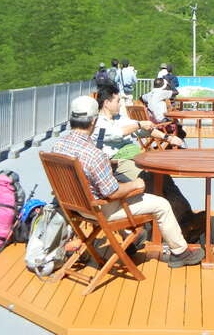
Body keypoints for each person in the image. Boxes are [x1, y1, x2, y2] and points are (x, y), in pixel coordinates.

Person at [53, 95, 204, 267]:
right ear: (94, 122)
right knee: (161, 204)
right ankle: (180, 252)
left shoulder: (58, 146)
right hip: (100, 209)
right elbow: (112, 192)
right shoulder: (94, 155)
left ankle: (131, 240)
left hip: (74, 207)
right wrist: (136, 185)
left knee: (145, 187)